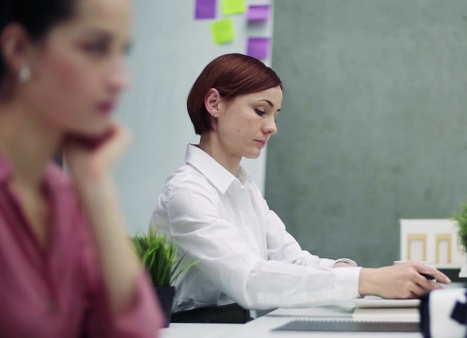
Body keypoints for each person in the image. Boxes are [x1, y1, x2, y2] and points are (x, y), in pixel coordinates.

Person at [150, 53, 451, 324]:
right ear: (214, 104)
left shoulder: (244, 187)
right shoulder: (187, 192)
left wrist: (360, 273)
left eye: (275, 115)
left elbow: (293, 261)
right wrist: (366, 281)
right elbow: (249, 279)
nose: (272, 127)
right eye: (260, 111)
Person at [0, 0, 163, 337]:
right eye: (96, 48)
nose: (122, 80)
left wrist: (96, 185)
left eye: (123, 52)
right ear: (18, 49)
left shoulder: (64, 198)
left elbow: (139, 331)